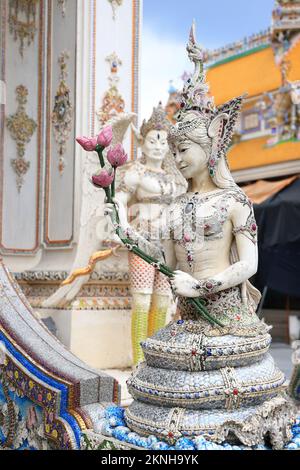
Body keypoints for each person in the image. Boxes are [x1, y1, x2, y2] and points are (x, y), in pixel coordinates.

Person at [115, 104, 186, 364]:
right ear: (142, 143)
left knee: (163, 302)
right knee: (142, 301)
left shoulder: (174, 176)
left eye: (163, 142)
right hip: (143, 241)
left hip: (167, 244)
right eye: (153, 141)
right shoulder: (136, 172)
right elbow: (118, 200)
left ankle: (156, 359)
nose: (158, 146)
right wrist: (123, 225)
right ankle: (138, 362)